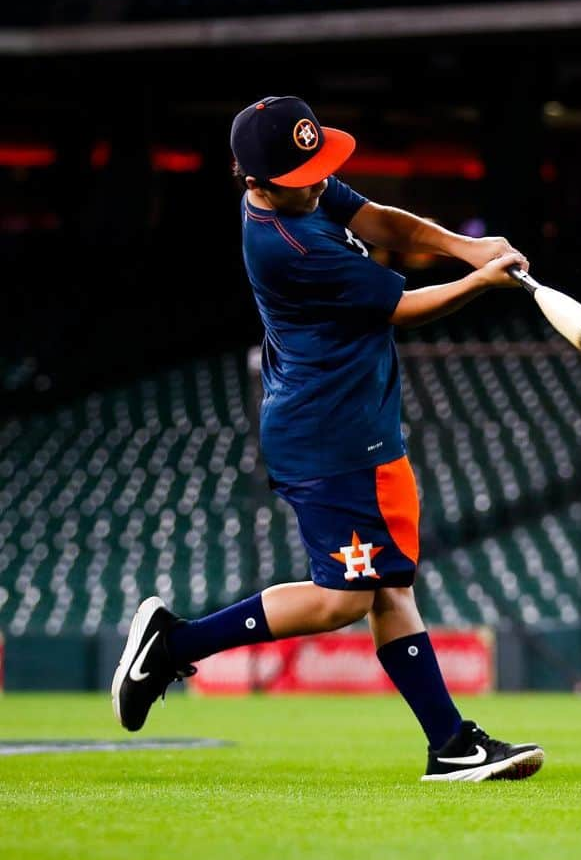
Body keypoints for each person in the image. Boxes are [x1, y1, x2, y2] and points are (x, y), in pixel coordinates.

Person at [111, 95, 543, 782]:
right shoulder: (292, 247)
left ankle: (451, 745)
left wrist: (467, 245)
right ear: (253, 180)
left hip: (350, 426)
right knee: (347, 597)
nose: (318, 181)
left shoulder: (296, 191)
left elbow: (379, 219)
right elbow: (401, 308)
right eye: (301, 174)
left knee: (388, 586)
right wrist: (480, 280)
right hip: (332, 438)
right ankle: (174, 645)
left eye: (318, 167)